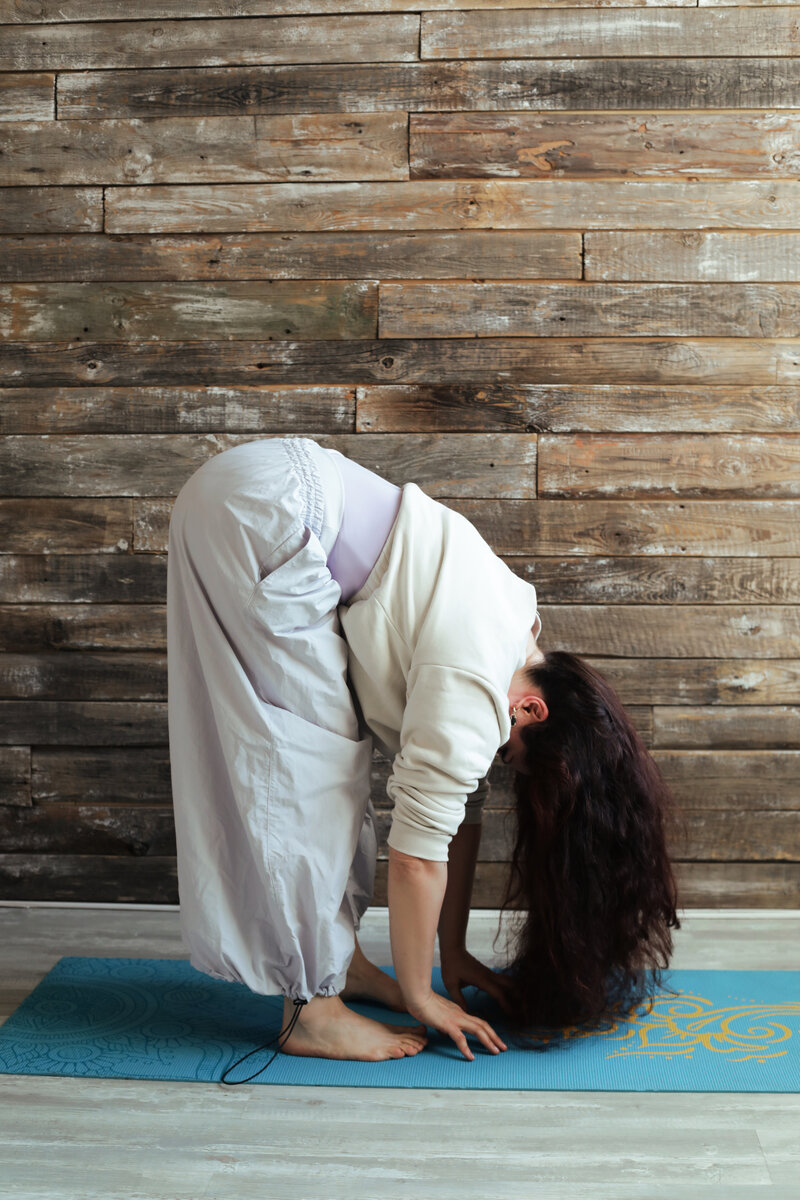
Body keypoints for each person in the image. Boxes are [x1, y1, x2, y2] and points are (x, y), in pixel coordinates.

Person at [166, 435, 681, 1069]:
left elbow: (459, 813)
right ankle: (312, 1013)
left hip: (265, 491)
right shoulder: (476, 686)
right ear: (532, 711)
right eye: (512, 756)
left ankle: (343, 967)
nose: (498, 760)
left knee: (331, 757)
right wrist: (420, 995)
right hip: (269, 513)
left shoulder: (512, 624)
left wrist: (451, 952)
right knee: (313, 774)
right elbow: (415, 857)